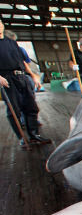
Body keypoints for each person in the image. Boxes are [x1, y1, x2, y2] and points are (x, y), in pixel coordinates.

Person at [0, 18, 50, 147]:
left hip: (22, 76)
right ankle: (22, 138)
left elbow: (22, 62)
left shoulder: (12, 43)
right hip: (6, 79)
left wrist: (33, 75)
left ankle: (34, 135)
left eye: (0, 23)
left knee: (31, 107)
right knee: (14, 110)